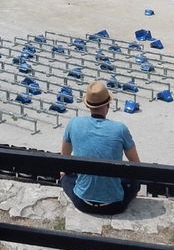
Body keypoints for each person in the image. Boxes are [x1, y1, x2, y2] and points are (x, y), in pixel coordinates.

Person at [60, 80, 140, 215]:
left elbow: (64, 162)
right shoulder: (120, 129)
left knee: (66, 175)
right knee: (134, 180)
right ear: (108, 104)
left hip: (82, 203)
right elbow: (137, 165)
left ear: (88, 105)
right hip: (114, 205)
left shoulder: (73, 123)